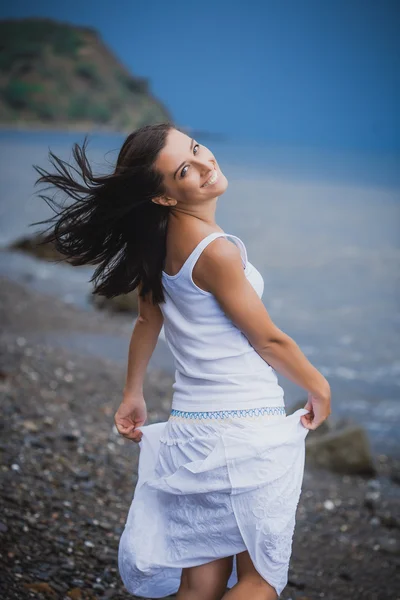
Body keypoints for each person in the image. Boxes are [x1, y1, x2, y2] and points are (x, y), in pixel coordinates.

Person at [32, 122, 331, 600]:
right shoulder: (216, 252)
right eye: (186, 170)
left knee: (200, 581)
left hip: (192, 432)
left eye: (196, 149)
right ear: (166, 196)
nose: (206, 164)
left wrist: (132, 393)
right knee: (259, 581)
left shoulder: (160, 242)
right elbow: (268, 341)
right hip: (245, 429)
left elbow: (147, 321)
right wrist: (319, 385)